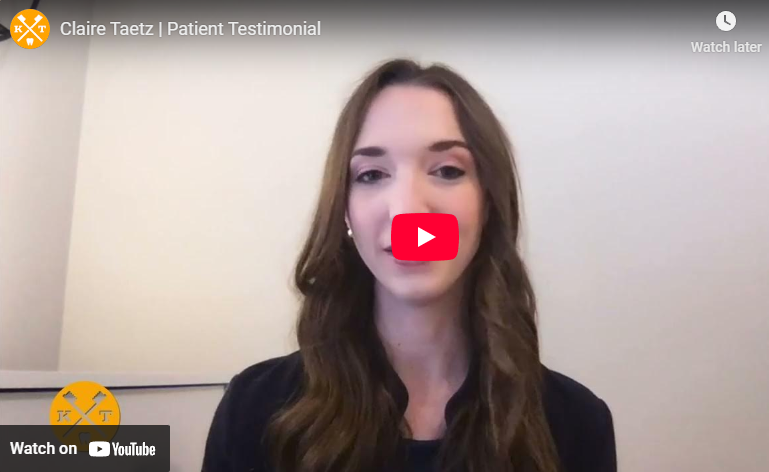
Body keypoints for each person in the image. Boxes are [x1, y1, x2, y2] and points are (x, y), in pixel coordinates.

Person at [201, 58, 617, 472]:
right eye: (372, 175)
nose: (408, 212)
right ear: (344, 211)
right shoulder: (253, 411)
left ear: (489, 203)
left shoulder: (577, 423)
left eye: (448, 170)